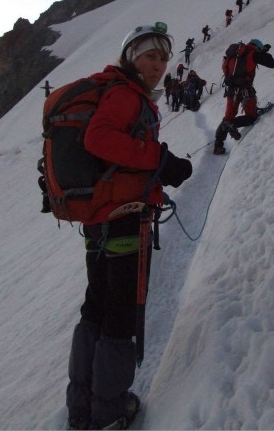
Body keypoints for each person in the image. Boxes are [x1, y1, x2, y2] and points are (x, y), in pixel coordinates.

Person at [65, 22, 192, 430]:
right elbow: (99, 140)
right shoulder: (124, 94)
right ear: (130, 57)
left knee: (96, 310)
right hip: (124, 220)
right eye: (150, 56)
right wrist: (159, 159)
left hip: (102, 220)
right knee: (119, 316)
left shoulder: (119, 90)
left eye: (163, 58)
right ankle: (109, 412)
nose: (158, 65)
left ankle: (82, 405)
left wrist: (155, 160)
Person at [213, 39, 274, 155]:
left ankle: (218, 146)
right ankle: (233, 124)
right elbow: (272, 63)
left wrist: (261, 51)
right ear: (257, 47)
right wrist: (262, 53)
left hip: (231, 90)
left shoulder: (235, 53)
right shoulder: (253, 54)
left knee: (228, 117)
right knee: (252, 116)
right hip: (245, 91)